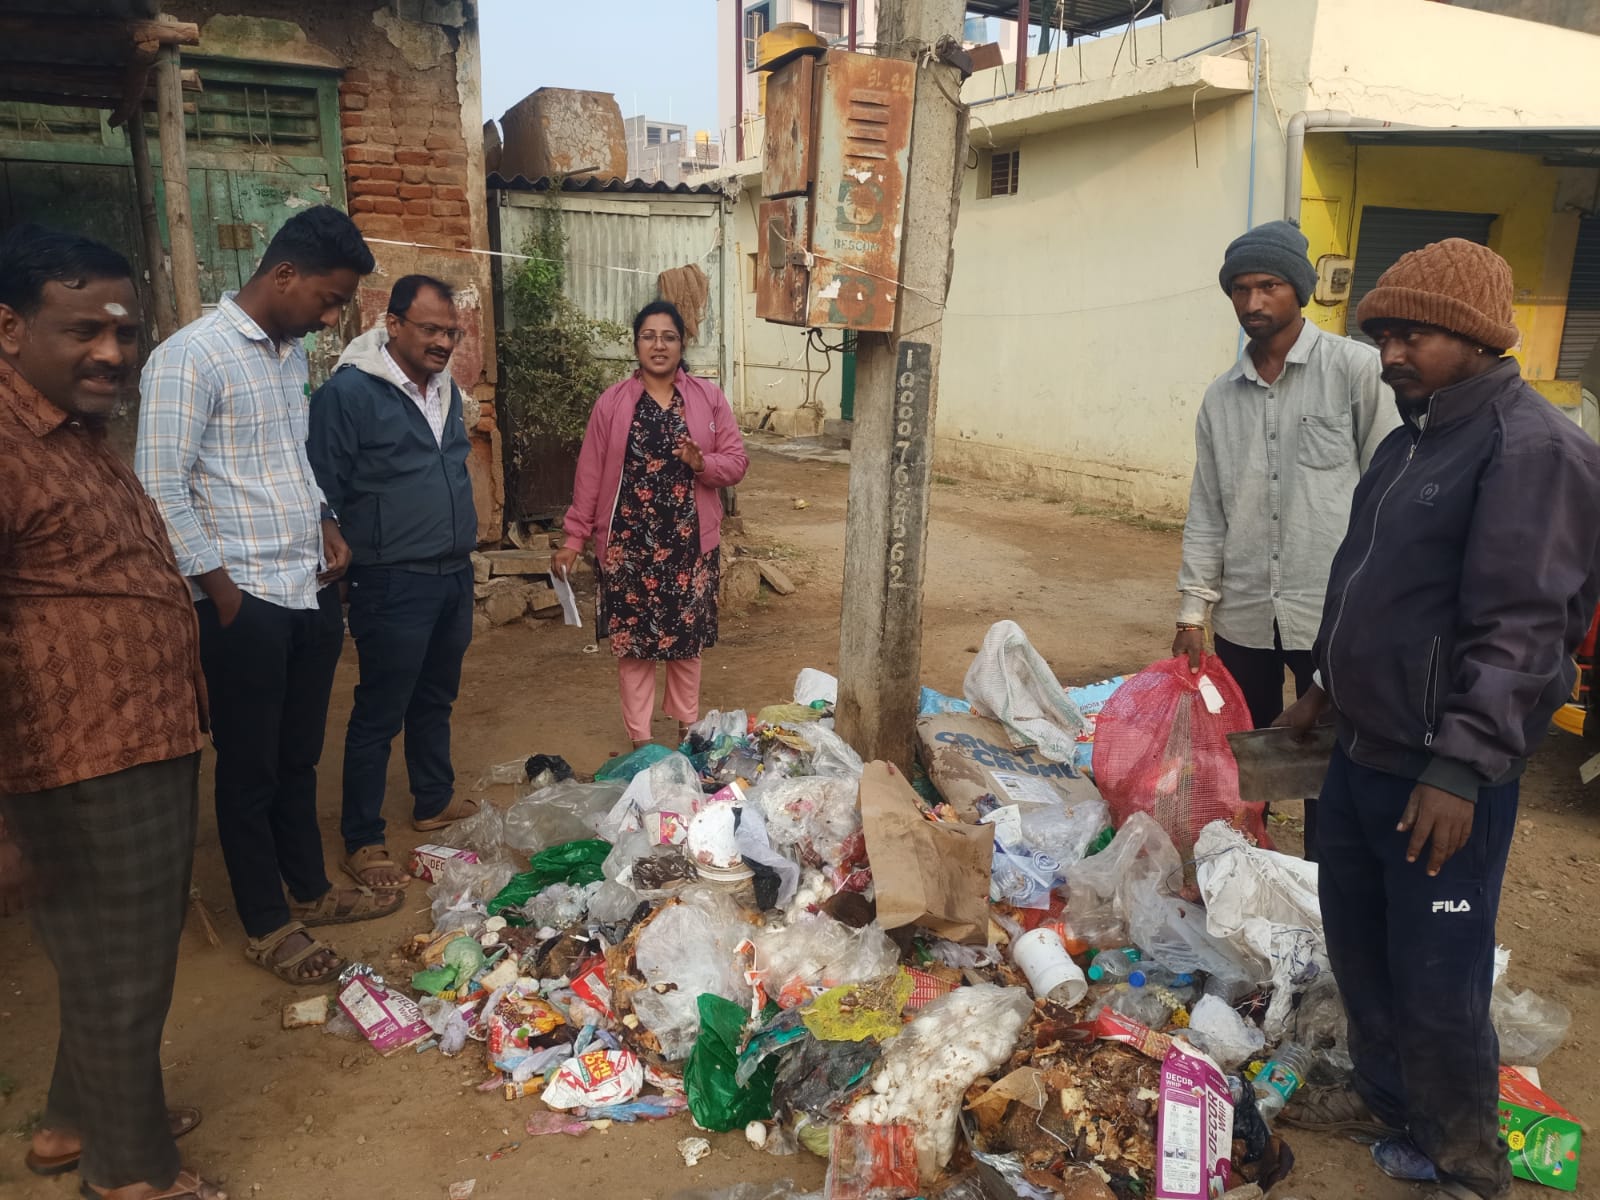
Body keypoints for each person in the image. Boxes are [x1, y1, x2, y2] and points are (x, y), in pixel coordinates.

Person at [1278, 239, 1600, 1200]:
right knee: (1360, 948)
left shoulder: (1531, 449)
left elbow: (1526, 630)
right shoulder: (1414, 435)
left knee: (1437, 976)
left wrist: (1460, 768)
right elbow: (1374, 586)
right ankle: (1388, 1101)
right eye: (1381, 334)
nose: (1388, 354)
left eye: (1411, 334)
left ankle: (1466, 1160)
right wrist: (1328, 686)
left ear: (1474, 335)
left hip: (1443, 780)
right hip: (1363, 756)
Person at [0, 226, 223, 1199]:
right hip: (81, 754)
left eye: (125, 334)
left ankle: (71, 1124)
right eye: (81, 329)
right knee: (124, 968)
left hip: (135, 735)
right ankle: (130, 1174)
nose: (111, 352)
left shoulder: (71, 433)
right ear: (10, 330)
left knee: (106, 954)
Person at [137, 206, 400, 987]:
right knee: (249, 768)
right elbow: (159, 487)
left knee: (296, 756)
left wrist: (326, 519)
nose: (331, 317)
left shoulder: (288, 357)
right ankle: (266, 921)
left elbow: (293, 458)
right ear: (283, 274)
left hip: (308, 589)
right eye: (328, 299)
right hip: (243, 600)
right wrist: (219, 594)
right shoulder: (191, 358)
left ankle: (311, 891)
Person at [1174, 220, 1396, 858]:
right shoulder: (1221, 399)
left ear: (1298, 290)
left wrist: (1378, 603)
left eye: (1268, 285)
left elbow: (1387, 499)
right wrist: (1194, 610)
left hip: (1332, 610)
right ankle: (1251, 868)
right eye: (1240, 290)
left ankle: (1327, 884)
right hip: (1246, 612)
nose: (1252, 303)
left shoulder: (1357, 373)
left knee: (1334, 757)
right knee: (1247, 752)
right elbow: (1207, 508)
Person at [308, 275, 479, 891]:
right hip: (391, 577)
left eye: (450, 332)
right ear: (395, 324)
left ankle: (432, 799)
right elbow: (320, 480)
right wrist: (332, 534)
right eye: (430, 329)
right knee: (380, 709)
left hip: (452, 572)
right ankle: (362, 836)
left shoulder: (447, 391)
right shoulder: (349, 394)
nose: (441, 342)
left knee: (436, 696)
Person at [554, 300, 748, 747]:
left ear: (683, 344)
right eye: (649, 336)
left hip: (688, 543)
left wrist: (704, 463)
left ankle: (687, 734)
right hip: (626, 545)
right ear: (635, 343)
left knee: (686, 645)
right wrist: (574, 536)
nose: (658, 345)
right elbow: (589, 474)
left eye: (669, 337)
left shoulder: (707, 399)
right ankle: (641, 742)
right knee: (634, 649)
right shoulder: (613, 403)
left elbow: (737, 462)